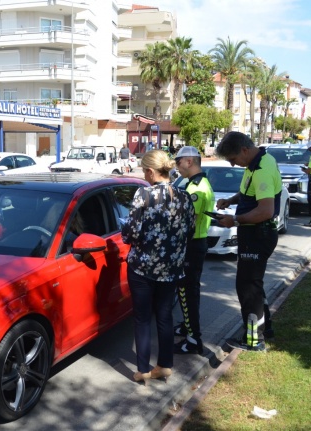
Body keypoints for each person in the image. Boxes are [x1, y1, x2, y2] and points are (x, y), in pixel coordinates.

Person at [121, 149, 195, 383]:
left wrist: (127, 232)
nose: (144, 175)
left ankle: (143, 370)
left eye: (144, 171)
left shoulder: (144, 194)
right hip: (172, 269)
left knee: (142, 319)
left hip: (143, 267)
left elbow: (131, 233)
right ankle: (164, 365)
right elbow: (190, 230)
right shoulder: (184, 196)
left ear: (152, 172)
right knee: (164, 316)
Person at [214, 132, 282, 351]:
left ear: (244, 150)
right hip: (254, 234)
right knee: (253, 284)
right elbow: (247, 192)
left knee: (248, 288)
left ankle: (254, 341)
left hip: (258, 234)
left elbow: (265, 211)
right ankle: (265, 328)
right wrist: (231, 201)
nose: (233, 165)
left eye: (233, 159)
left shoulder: (261, 168)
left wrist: (234, 220)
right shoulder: (256, 163)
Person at [173, 145, 214, 355]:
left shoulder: (196, 188)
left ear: (189, 162)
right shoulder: (198, 183)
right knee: (186, 291)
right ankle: (187, 327)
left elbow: (190, 222)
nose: (177, 167)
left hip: (192, 245)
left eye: (178, 162)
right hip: (196, 244)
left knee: (188, 292)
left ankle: (193, 339)